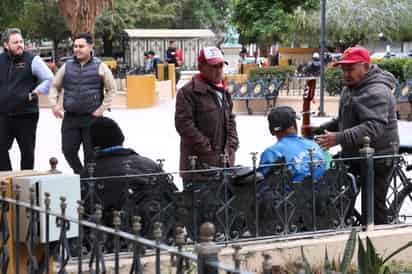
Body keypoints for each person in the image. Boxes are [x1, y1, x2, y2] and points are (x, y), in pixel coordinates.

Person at [313, 46, 399, 224]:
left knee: (373, 209)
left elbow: (373, 126)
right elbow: (344, 120)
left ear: (366, 67)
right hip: (354, 154)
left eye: (350, 68)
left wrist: (338, 138)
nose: (346, 73)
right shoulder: (350, 88)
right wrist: (318, 131)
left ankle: (378, 244)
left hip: (378, 157)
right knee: (337, 195)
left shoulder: (377, 90)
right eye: (343, 69)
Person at [49, 32, 117, 174]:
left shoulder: (100, 66)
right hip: (70, 118)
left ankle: (88, 182)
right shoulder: (67, 66)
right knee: (68, 150)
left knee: (90, 155)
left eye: (81, 46)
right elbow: (55, 86)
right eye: (75, 46)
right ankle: (80, 174)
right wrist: (54, 105)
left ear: (90, 47)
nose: (77, 49)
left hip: (91, 119)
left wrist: (101, 109)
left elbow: (112, 89)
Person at [175, 46, 239, 185]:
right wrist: (207, 148)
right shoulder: (188, 92)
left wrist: (232, 145)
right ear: (201, 67)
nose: (219, 70)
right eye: (214, 66)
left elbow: (231, 120)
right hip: (199, 169)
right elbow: (184, 125)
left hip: (225, 164)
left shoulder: (224, 91)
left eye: (221, 65)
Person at [0, 28, 54, 171]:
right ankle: (7, 183)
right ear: (6, 45)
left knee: (27, 152)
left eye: (21, 41)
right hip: (3, 115)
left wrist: (35, 93)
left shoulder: (32, 60)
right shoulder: (0, 60)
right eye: (15, 42)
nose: (20, 45)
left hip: (26, 115)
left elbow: (49, 79)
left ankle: (27, 184)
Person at [258, 106, 326, 183]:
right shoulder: (313, 145)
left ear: (272, 131)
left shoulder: (271, 153)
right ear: (295, 125)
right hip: (323, 193)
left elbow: (262, 184)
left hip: (292, 194)